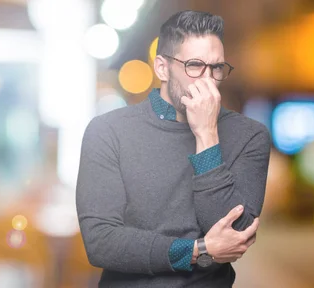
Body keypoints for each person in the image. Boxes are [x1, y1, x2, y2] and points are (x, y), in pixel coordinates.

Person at [76, 10, 271, 287]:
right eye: (194, 65)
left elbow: (236, 236)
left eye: (217, 67)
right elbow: (101, 242)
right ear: (162, 68)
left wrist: (206, 135)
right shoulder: (108, 131)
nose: (208, 80)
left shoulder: (250, 136)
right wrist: (200, 250)